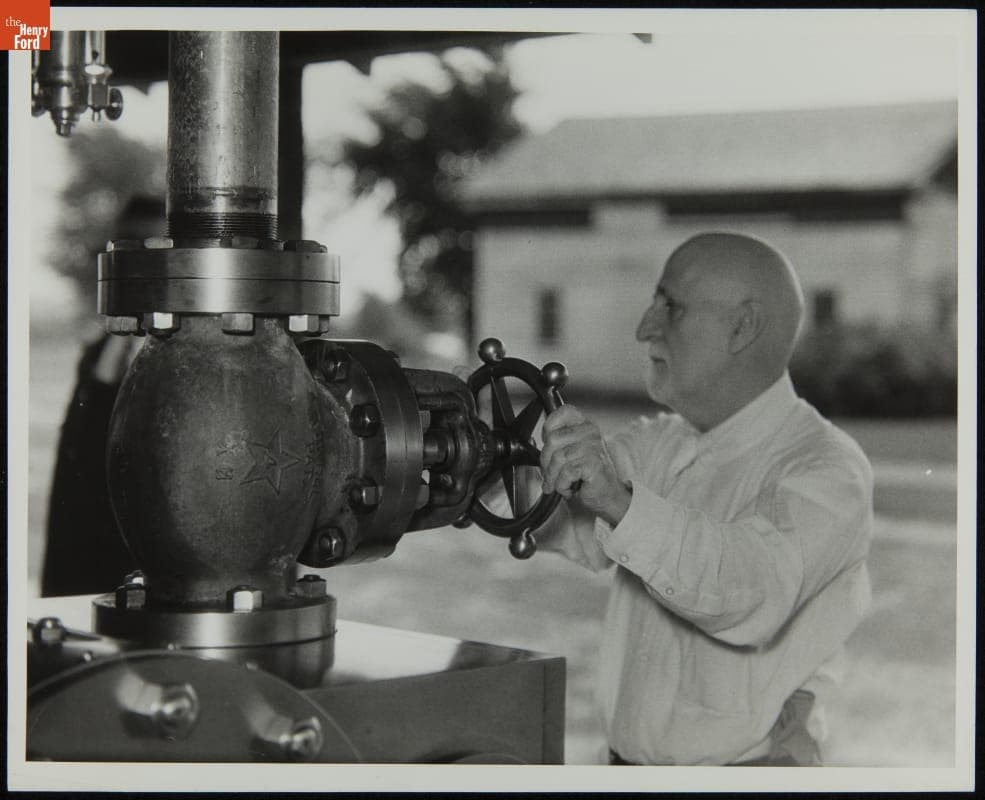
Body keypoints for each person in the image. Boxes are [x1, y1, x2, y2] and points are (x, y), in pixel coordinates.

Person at [536, 232, 873, 766]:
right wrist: (471, 448)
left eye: (670, 307)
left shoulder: (827, 472)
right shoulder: (661, 442)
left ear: (742, 327)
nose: (644, 326)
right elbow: (560, 517)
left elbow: (747, 586)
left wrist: (619, 502)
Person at [40, 196, 163, 597]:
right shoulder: (96, 354)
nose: (137, 262)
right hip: (80, 576)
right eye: (126, 245)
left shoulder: (187, 365)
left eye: (153, 248)